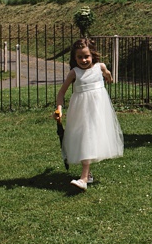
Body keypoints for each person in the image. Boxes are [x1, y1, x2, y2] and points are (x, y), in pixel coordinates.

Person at [53, 38, 123, 191]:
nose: (84, 60)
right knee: (84, 137)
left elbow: (107, 73)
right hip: (80, 110)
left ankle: (84, 178)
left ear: (92, 55)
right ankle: (87, 174)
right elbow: (61, 93)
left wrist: (109, 77)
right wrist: (59, 109)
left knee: (89, 137)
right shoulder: (74, 73)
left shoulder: (100, 67)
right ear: (74, 58)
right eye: (80, 57)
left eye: (86, 56)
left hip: (97, 109)